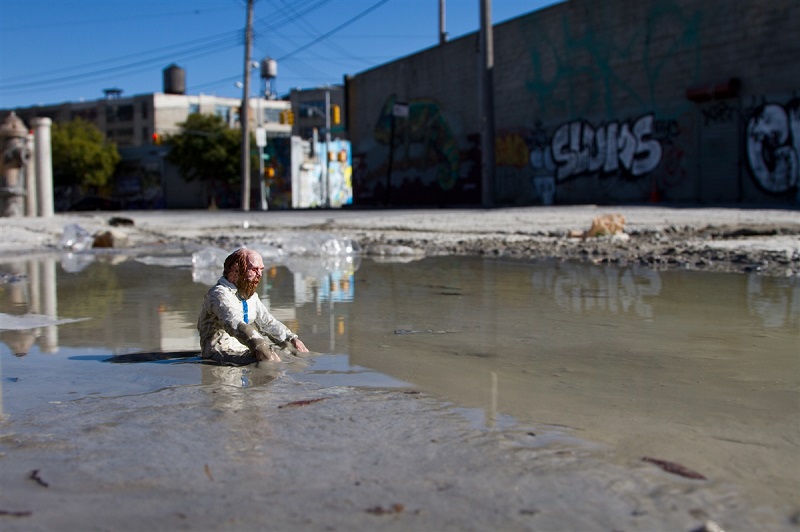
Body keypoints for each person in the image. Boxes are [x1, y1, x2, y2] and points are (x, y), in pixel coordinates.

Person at [197, 248, 309, 365]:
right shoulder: (219, 294)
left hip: (243, 350)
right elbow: (233, 324)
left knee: (292, 351)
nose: (259, 274)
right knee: (268, 361)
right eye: (254, 269)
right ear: (236, 270)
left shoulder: (250, 296)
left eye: (261, 270)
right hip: (219, 353)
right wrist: (259, 345)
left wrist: (290, 338)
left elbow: (267, 323)